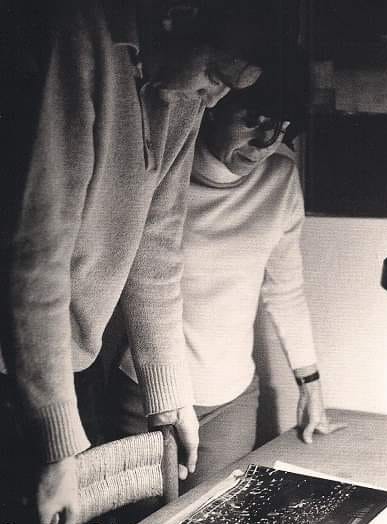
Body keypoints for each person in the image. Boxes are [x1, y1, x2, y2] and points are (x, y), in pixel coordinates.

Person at [0, 0, 277, 524]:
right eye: (216, 75)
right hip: (17, 357)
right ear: (180, 16)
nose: (215, 98)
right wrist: (56, 444)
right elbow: (37, 257)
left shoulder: (183, 96)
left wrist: (169, 393)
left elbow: (157, 248)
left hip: (72, 357)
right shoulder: (79, 37)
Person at [118, 60, 345, 490]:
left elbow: (286, 291)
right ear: (213, 105)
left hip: (233, 399)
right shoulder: (159, 172)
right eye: (252, 122)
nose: (263, 144)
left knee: (219, 517)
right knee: (145, 522)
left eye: (279, 128)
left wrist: (310, 386)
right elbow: (144, 286)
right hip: (147, 394)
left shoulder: (280, 179)